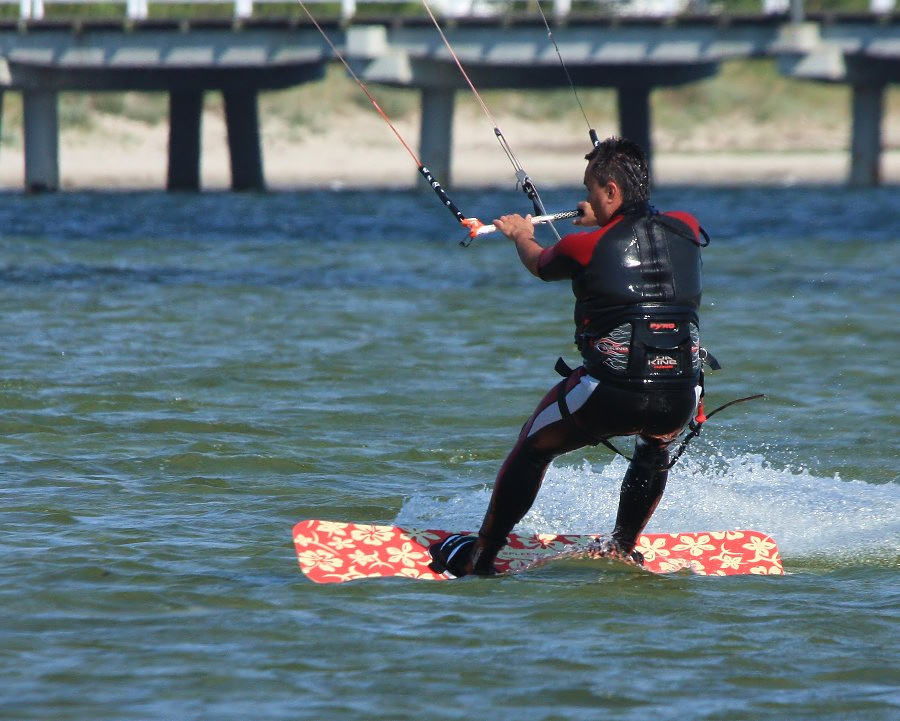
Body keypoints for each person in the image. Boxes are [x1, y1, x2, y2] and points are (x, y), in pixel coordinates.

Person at [430, 136, 710, 577]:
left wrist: (522, 235)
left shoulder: (584, 246)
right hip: (679, 393)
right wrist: (601, 219)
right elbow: (642, 230)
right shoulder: (688, 226)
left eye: (591, 189)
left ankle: (479, 557)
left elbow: (541, 263)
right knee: (655, 446)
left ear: (612, 192)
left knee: (533, 447)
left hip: (612, 393)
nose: (586, 197)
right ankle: (623, 547)